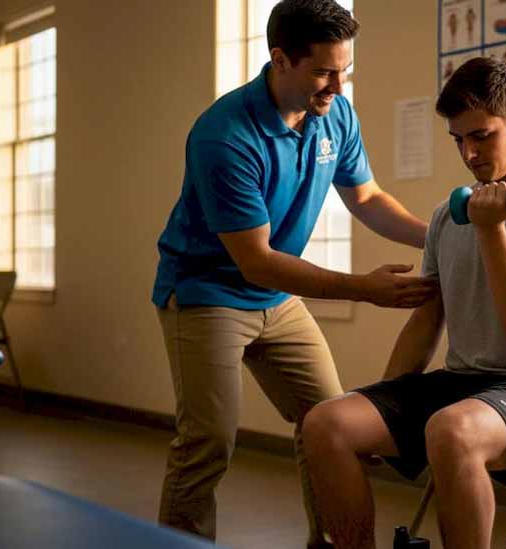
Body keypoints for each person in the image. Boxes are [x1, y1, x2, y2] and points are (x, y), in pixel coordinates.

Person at [151, 1, 436, 546]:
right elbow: (255, 260)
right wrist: (363, 289)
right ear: (280, 60)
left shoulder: (335, 113)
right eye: (324, 71)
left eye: (344, 70)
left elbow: (369, 198)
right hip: (207, 292)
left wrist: (441, 234)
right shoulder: (224, 135)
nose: (336, 85)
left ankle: (326, 542)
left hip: (276, 298)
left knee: (329, 424)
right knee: (208, 441)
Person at [303, 57, 506, 548]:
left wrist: (491, 233)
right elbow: (426, 323)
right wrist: (385, 404)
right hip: (466, 384)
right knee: (327, 423)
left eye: (482, 135)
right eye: (459, 139)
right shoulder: (450, 215)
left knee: (451, 430)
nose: (469, 153)